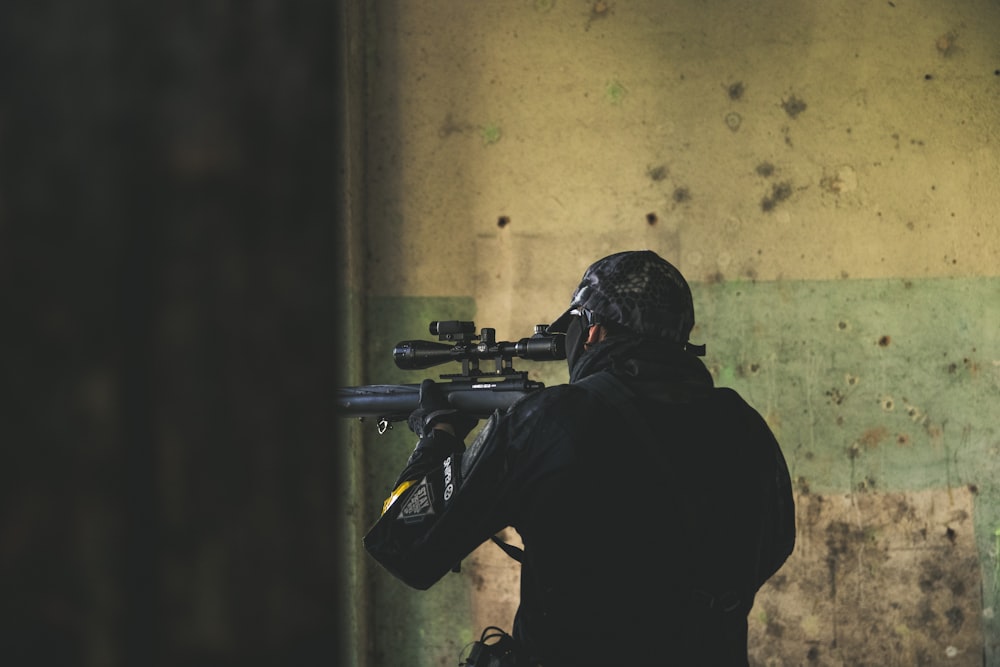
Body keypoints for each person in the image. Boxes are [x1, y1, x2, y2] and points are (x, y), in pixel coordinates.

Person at [364, 250, 796, 666]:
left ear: (591, 331)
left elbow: (404, 547)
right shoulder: (742, 423)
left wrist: (437, 438)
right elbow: (776, 544)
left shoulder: (549, 419)